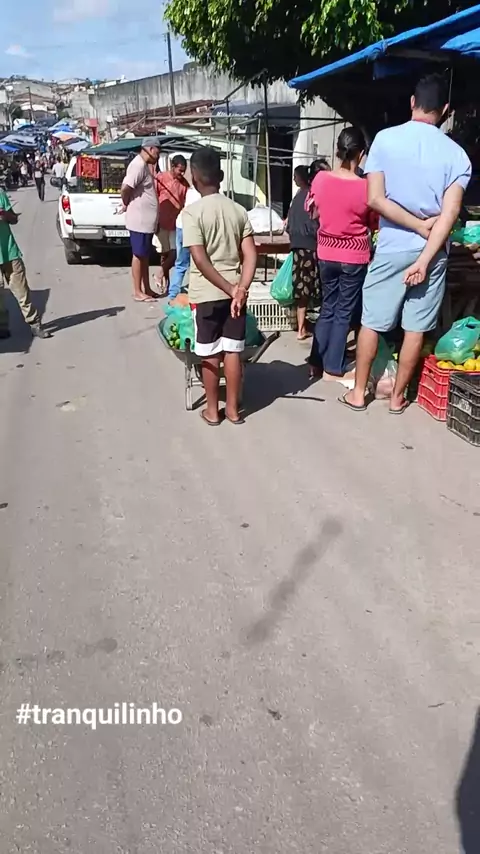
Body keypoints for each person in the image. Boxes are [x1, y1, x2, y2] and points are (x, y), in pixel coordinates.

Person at [342, 73, 472, 413]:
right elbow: (450, 214)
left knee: (372, 321)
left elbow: (375, 199)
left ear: (412, 102)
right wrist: (425, 257)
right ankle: (398, 397)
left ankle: (358, 393)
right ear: (445, 110)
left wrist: (414, 226)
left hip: (392, 247)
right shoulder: (458, 156)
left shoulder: (384, 141)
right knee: (415, 328)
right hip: (433, 253)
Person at [182, 147, 257, 426]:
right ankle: (234, 410)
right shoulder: (238, 211)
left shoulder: (192, 214)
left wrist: (229, 288)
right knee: (233, 351)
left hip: (207, 295)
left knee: (209, 353)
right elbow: (251, 254)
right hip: (235, 295)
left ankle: (213, 411)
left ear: (194, 178)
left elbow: (200, 259)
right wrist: (240, 289)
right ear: (222, 176)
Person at [308, 127, 378, 381]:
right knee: (344, 312)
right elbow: (374, 222)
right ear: (361, 154)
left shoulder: (320, 179)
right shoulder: (367, 187)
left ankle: (316, 361)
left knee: (328, 307)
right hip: (354, 256)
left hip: (326, 252)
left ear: (338, 151)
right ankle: (334, 365)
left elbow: (312, 210)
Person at [0, 188, 50, 339]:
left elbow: (14, 219)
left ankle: (35, 325)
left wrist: (5, 215)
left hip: (9, 253)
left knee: (22, 292)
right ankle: (2, 327)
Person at [121, 137, 161, 302]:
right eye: (158, 150)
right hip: (139, 221)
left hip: (146, 223)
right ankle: (138, 291)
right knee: (138, 255)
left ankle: (147, 288)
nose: (159, 154)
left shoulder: (144, 165)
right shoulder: (138, 165)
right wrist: (126, 202)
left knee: (144, 256)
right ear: (151, 149)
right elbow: (126, 187)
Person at [286, 165, 320, 340]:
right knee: (311, 287)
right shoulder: (311, 196)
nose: (293, 179)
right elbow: (316, 223)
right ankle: (304, 328)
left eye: (295, 176)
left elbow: (289, 225)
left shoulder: (297, 199)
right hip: (311, 247)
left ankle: (301, 328)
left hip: (297, 247)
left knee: (301, 289)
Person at [153, 154, 188, 293]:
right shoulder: (160, 179)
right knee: (164, 254)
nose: (182, 173)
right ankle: (165, 283)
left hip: (176, 224)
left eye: (184, 171)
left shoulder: (184, 185)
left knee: (175, 254)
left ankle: (159, 273)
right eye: (180, 170)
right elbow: (154, 199)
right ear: (172, 167)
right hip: (161, 222)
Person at [167, 183, 201, 301]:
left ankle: (173, 294)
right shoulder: (203, 193)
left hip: (181, 225)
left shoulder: (191, 190)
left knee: (181, 263)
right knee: (197, 263)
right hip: (190, 228)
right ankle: (196, 293)